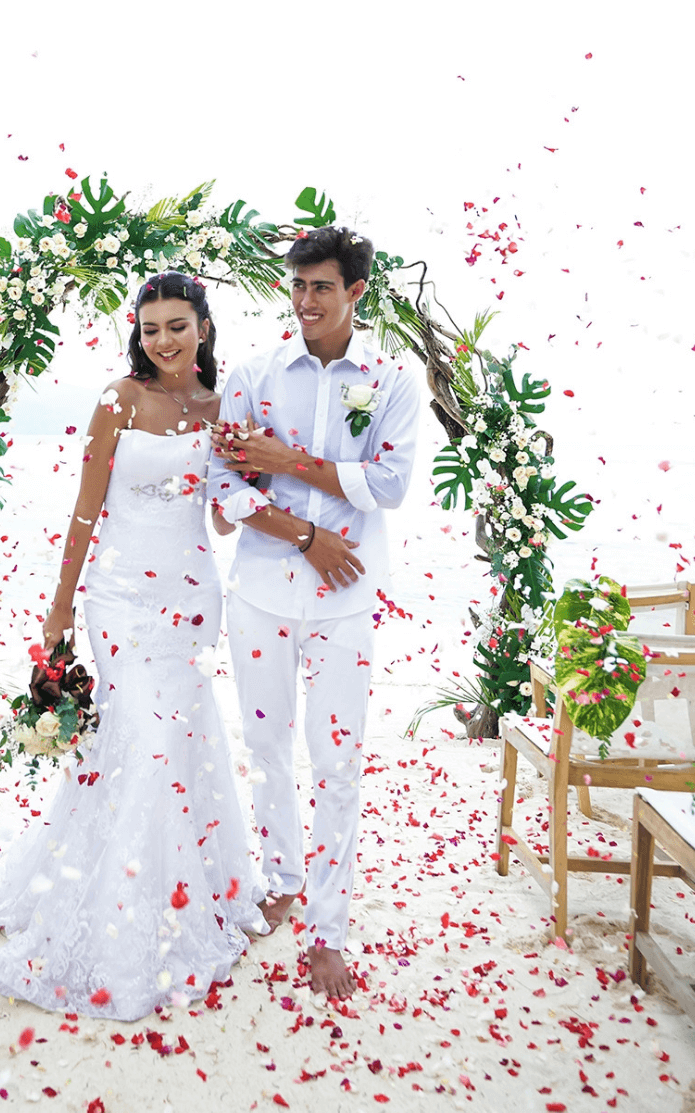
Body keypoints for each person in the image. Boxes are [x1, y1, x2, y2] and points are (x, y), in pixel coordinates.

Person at [0, 272, 267, 1021]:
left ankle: (177, 889)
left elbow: (221, 518)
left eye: (177, 325)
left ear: (205, 328)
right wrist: (59, 611)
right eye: (151, 327)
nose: (163, 340)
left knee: (177, 744)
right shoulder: (117, 401)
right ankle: (116, 917)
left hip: (192, 596)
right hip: (121, 600)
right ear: (139, 332)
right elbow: (85, 513)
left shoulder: (221, 409)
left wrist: (247, 468)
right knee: (146, 741)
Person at [208, 226, 420, 999]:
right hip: (260, 592)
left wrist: (288, 462)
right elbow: (224, 485)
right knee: (264, 746)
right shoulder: (252, 373)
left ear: (356, 291)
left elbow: (389, 484)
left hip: (345, 601)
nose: (304, 302)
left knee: (336, 764)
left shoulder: (392, 381)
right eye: (297, 286)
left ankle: (328, 929)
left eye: (321, 287)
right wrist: (309, 533)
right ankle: (284, 878)